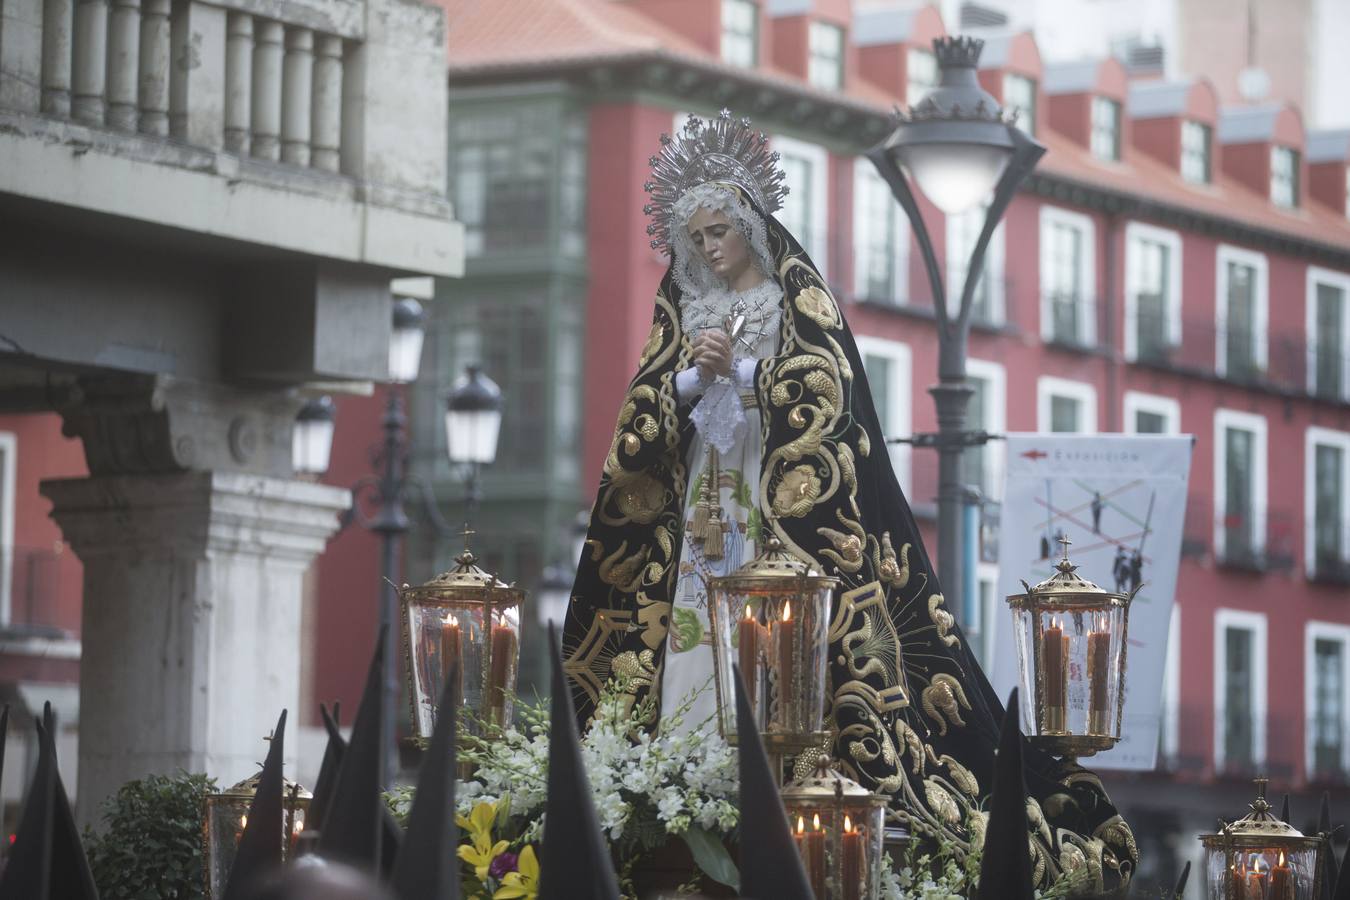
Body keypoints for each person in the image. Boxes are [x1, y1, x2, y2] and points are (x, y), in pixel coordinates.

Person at [562, 111, 1136, 892]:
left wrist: (746, 376)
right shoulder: (685, 312)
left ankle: (781, 760)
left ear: (751, 226)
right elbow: (647, 413)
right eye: (694, 237)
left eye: (719, 230)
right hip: (707, 494)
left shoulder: (793, 301)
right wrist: (696, 379)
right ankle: (688, 756)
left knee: (781, 625)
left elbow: (827, 399)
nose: (707, 247)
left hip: (777, 501)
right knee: (692, 621)